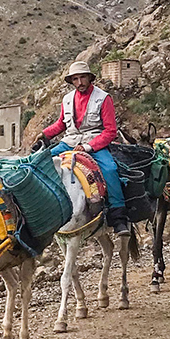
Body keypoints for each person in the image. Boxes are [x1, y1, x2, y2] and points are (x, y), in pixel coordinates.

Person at [38, 60, 128, 233]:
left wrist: (88, 147)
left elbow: (110, 131)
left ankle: (118, 217)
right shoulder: (67, 99)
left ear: (89, 78)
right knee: (41, 162)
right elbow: (61, 124)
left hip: (94, 143)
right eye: (75, 79)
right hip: (69, 142)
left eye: (83, 78)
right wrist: (45, 134)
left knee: (110, 170)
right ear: (71, 81)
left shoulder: (103, 98)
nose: (79, 82)